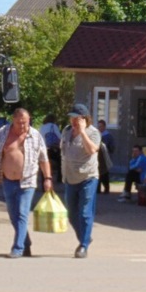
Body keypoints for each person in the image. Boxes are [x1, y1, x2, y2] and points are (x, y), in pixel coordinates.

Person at [0, 108, 52, 258]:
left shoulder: (35, 135)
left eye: (25, 122)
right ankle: (26, 243)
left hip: (27, 181)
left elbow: (44, 159)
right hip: (8, 181)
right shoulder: (3, 133)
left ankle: (17, 248)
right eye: (19, 123)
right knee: (14, 216)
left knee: (22, 214)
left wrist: (48, 178)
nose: (22, 126)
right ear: (13, 120)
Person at [60, 103, 100, 258]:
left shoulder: (93, 133)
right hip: (70, 178)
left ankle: (83, 246)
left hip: (88, 177)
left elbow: (91, 150)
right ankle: (85, 236)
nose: (74, 121)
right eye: (72, 118)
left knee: (84, 213)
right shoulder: (66, 131)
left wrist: (83, 133)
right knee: (71, 214)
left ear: (85, 119)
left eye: (77, 118)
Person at [39, 113, 61, 182]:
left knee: (44, 163)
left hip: (43, 148)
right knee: (60, 161)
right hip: (52, 148)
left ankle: (43, 181)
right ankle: (59, 179)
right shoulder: (53, 126)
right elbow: (59, 136)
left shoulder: (42, 127)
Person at [96, 119, 115, 194]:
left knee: (104, 174)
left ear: (104, 127)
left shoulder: (108, 136)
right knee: (97, 173)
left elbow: (112, 147)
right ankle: (98, 189)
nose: (99, 128)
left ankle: (106, 188)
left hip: (105, 157)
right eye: (98, 126)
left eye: (101, 126)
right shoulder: (97, 134)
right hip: (98, 157)